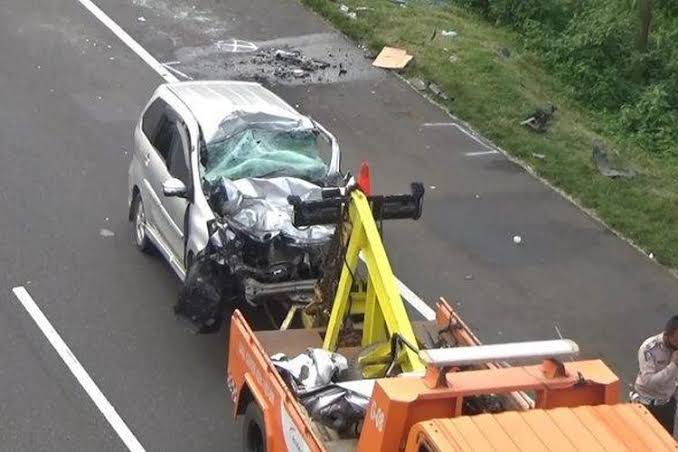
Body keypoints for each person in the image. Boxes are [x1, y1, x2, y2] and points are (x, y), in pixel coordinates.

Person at [633, 315, 678, 435]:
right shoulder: (649, 349)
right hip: (646, 405)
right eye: (676, 341)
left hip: (667, 404)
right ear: (667, 334)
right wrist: (673, 365)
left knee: (666, 443)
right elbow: (649, 382)